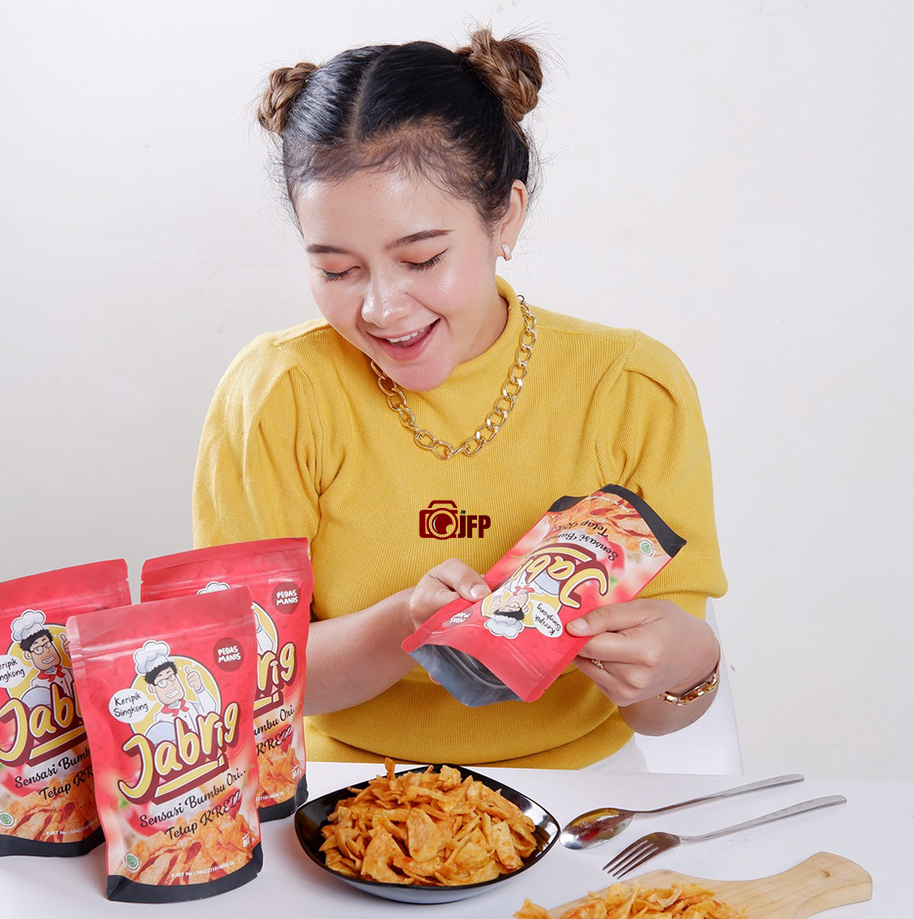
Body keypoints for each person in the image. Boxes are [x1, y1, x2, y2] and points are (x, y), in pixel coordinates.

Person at [193, 29, 727, 769]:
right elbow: (242, 674)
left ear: (505, 216)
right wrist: (405, 626)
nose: (381, 308)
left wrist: (686, 662)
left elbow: (669, 713)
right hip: (341, 788)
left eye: (422, 259)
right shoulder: (280, 393)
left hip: (580, 796)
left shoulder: (629, 389)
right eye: (338, 270)